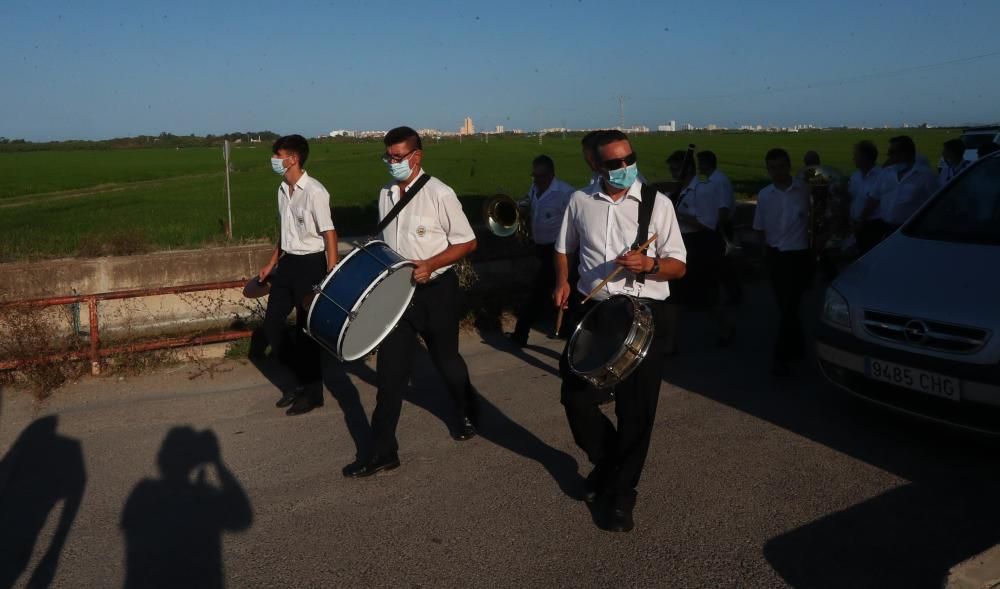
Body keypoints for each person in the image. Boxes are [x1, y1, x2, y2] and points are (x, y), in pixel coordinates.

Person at [553, 130, 687, 532]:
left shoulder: (656, 204)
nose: (626, 168)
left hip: (645, 313)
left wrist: (649, 266)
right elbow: (563, 248)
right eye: (615, 163)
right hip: (595, 312)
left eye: (630, 158)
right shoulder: (579, 201)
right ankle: (609, 463)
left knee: (637, 410)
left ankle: (621, 494)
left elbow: (679, 265)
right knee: (575, 398)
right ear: (594, 165)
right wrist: (561, 280)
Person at [344, 126, 480, 478]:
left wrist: (431, 264)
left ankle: (465, 408)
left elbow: (467, 242)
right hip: (398, 295)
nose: (391, 163)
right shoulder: (386, 193)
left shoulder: (440, 193)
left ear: (416, 157)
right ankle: (383, 451)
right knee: (389, 377)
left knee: (446, 360)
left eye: (397, 157)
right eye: (387, 156)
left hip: (436, 290)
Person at [258, 134, 338, 416]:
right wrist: (271, 263)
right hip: (288, 264)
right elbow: (285, 233)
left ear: (293, 158)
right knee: (271, 326)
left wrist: (331, 270)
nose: (275, 160)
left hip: (311, 264)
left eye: (278, 155)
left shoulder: (315, 191)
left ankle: (313, 392)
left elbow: (329, 233)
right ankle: (296, 383)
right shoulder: (282, 189)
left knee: (305, 332)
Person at [753, 148, 814, 376]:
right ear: (768, 170)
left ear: (789, 165)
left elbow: (817, 219)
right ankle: (799, 348)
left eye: (781, 166)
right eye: (773, 168)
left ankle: (781, 357)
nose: (777, 172)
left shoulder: (805, 190)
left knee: (790, 305)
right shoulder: (765, 195)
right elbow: (759, 227)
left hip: (799, 256)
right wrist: (763, 255)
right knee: (786, 307)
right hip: (775, 256)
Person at [509, 155, 575, 346]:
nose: (537, 180)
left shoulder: (566, 193)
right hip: (540, 247)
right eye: (534, 176)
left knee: (538, 292)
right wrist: (517, 207)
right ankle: (563, 329)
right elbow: (528, 202)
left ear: (551, 174)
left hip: (557, 250)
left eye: (541, 176)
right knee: (555, 290)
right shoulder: (535, 188)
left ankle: (521, 333)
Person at [670, 150, 732, 346]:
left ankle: (728, 328)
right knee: (676, 296)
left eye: (676, 169)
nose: (673, 173)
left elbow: (708, 223)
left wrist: (677, 214)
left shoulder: (703, 190)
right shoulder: (680, 190)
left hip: (700, 244)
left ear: (687, 169)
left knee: (705, 297)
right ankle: (670, 342)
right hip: (684, 243)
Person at [865, 135, 939, 236]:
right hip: (884, 228)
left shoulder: (926, 176)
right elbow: (873, 200)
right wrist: (861, 219)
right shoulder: (885, 173)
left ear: (905, 153)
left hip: (911, 231)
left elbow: (937, 205)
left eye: (891, 152)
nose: (888, 155)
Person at [698, 150, 743, 306]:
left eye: (700, 163)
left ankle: (733, 295)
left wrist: (719, 229)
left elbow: (723, 207)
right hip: (718, 225)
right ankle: (732, 294)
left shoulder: (718, 180)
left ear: (706, 164)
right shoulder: (715, 179)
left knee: (723, 264)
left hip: (720, 227)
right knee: (722, 264)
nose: (698, 166)